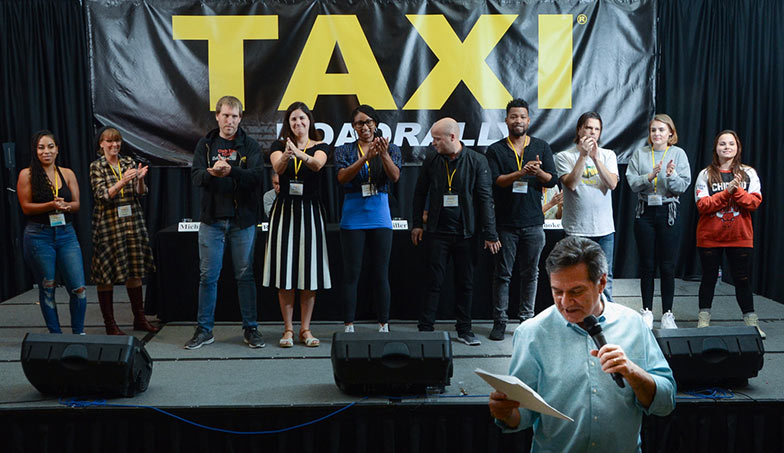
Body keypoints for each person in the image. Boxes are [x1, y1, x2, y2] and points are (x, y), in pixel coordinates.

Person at [488, 236, 676, 452]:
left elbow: (666, 402)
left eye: (576, 292)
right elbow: (523, 414)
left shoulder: (633, 325)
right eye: (557, 292)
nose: (566, 303)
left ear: (602, 283)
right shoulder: (532, 333)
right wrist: (505, 414)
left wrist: (632, 372)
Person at [411, 117, 500, 346]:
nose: (433, 143)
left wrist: (490, 234)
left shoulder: (477, 161)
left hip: (467, 234)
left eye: (437, 139)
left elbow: (484, 198)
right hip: (437, 232)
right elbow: (419, 193)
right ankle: (426, 328)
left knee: (466, 283)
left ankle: (464, 330)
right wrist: (417, 224)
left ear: (453, 137)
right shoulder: (432, 160)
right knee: (433, 281)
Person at [186, 95, 265, 349]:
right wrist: (211, 173)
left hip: (243, 222)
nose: (230, 120)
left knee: (245, 275)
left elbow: (256, 177)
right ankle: (204, 329)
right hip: (211, 222)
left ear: (240, 118)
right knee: (208, 277)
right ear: (217, 116)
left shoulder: (250, 145)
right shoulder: (206, 145)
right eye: (225, 115)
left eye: (234, 116)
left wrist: (232, 171)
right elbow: (196, 177)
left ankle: (251, 329)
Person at [485, 98, 557, 341]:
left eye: (522, 117)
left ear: (529, 120)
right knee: (502, 274)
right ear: (506, 120)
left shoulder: (541, 146)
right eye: (513, 116)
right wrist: (521, 172)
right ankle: (500, 321)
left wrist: (538, 173)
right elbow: (497, 181)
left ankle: (527, 320)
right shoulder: (496, 149)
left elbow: (552, 180)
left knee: (531, 274)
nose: (518, 121)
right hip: (505, 224)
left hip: (534, 223)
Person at [263, 101, 330, 348]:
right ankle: (288, 329)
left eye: (302, 119)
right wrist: (288, 154)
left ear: (309, 121)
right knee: (286, 271)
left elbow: (318, 164)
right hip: (285, 212)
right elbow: (277, 167)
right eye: (293, 119)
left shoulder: (320, 146)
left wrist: (301, 153)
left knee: (309, 271)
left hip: (311, 212)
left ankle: (306, 329)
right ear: (288, 123)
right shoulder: (278, 146)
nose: (298, 123)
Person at [335, 105, 401, 333]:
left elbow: (395, 176)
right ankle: (349, 324)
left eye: (368, 121)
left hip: (380, 216)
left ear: (376, 124)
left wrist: (381, 154)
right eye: (359, 123)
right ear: (353, 127)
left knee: (380, 272)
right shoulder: (344, 150)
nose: (364, 126)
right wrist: (365, 158)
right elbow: (342, 177)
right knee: (352, 273)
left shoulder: (390, 148)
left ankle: (383, 323)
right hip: (352, 217)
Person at [694, 130, 765, 338]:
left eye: (731, 144)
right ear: (716, 148)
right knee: (708, 278)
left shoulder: (748, 173)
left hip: (740, 236)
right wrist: (727, 192)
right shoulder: (705, 174)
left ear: (737, 147)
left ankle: (752, 322)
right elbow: (703, 205)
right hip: (710, 237)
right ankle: (703, 320)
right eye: (722, 144)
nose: (727, 147)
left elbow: (754, 202)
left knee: (742, 279)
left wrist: (737, 191)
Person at [89, 126, 157, 335]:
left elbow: (141, 193)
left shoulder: (128, 162)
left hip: (131, 224)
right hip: (109, 226)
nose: (114, 145)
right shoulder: (97, 166)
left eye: (117, 141)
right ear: (101, 144)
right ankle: (110, 324)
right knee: (106, 276)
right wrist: (123, 180)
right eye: (109, 141)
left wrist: (139, 179)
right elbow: (103, 195)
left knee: (135, 271)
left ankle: (139, 318)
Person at [18, 131, 87, 334]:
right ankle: (55, 336)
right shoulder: (27, 174)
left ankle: (78, 333)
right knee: (47, 287)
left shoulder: (67, 173)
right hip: (39, 235)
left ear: (57, 149)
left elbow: (77, 204)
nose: (46, 151)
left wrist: (67, 207)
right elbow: (26, 208)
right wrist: (50, 205)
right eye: (41, 147)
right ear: (35, 150)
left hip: (66, 233)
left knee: (79, 288)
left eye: (50, 146)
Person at [626, 114, 691, 330]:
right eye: (653, 130)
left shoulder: (678, 154)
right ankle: (646, 311)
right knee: (647, 264)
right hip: (645, 212)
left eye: (661, 130)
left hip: (668, 211)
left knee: (667, 265)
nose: (657, 134)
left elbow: (682, 186)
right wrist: (649, 176)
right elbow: (633, 183)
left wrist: (670, 176)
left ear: (670, 133)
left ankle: (667, 314)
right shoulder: (640, 153)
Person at [555, 112, 619, 302]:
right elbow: (572, 184)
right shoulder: (564, 156)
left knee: (604, 276)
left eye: (596, 129)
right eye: (589, 128)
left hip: (604, 229)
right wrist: (583, 156)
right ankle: (577, 318)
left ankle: (605, 319)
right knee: (576, 276)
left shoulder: (608, 155)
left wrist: (596, 158)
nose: (592, 132)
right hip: (576, 230)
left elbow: (612, 184)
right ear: (579, 129)